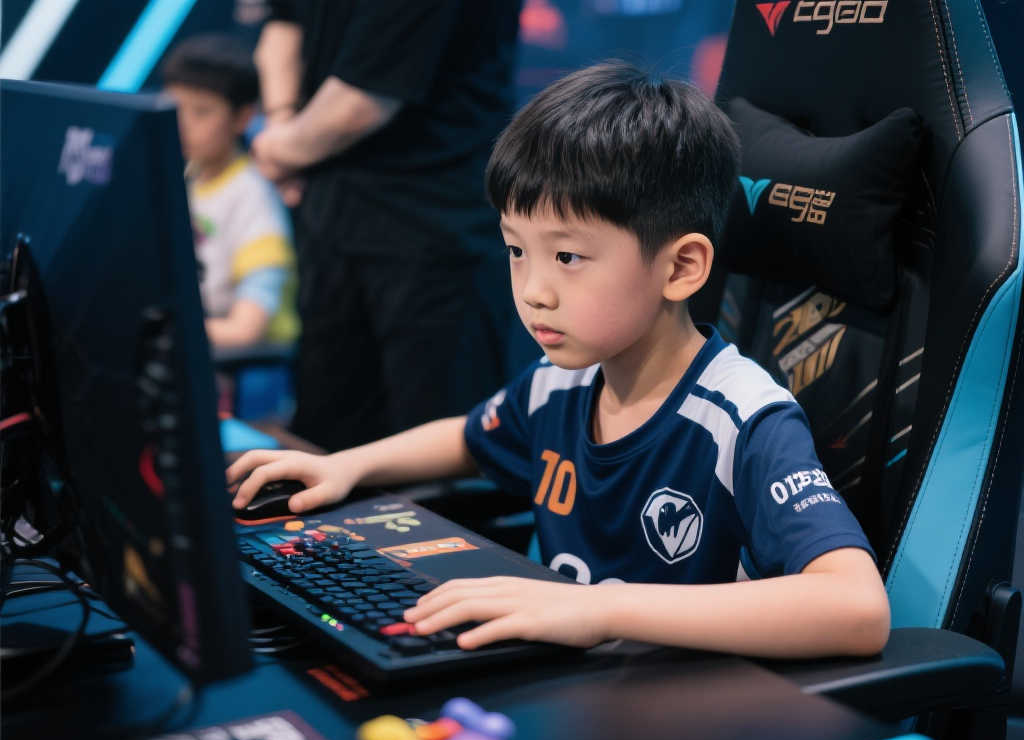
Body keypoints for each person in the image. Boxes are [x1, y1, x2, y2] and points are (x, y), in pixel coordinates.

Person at [227, 62, 891, 658]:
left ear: (681, 268)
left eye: (568, 257)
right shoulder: (558, 384)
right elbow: (468, 438)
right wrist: (348, 465)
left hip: (683, 705)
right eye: (517, 251)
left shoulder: (741, 417)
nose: (533, 291)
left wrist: (600, 610)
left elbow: (857, 609)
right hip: (567, 680)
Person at [250, 1, 524, 452]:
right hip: (329, 217)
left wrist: (280, 149)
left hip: (432, 227)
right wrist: (283, 128)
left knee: (440, 446)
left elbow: (363, 100)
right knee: (324, 435)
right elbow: (282, 26)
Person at [162, 35, 298, 350]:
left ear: (243, 117)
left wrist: (169, 331)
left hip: (253, 362)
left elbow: (246, 330)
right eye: (175, 107)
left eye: (201, 112)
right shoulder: (185, 175)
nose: (182, 124)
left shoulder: (253, 195)